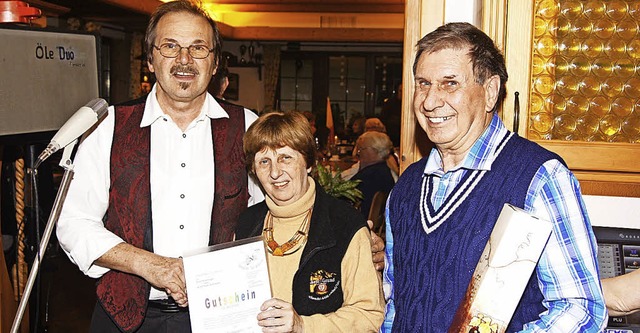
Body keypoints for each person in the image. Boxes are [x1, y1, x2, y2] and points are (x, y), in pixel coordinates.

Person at [382, 22, 607, 332]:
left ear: (490, 92)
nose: (430, 101)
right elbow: (395, 304)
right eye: (423, 83)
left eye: (449, 83)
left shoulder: (539, 178)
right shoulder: (406, 188)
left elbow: (580, 309)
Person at [56, 1, 264, 332]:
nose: (184, 59)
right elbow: (72, 222)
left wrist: (347, 236)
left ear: (214, 64)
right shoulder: (107, 126)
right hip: (124, 316)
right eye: (170, 46)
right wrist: (151, 266)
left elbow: (278, 209)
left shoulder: (248, 127)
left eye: (198, 48)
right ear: (151, 59)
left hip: (222, 315)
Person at [235, 111, 384, 332]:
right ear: (254, 171)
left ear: (308, 163)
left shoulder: (345, 224)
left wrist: (303, 325)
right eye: (264, 161)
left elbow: (369, 316)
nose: (275, 172)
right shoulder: (246, 223)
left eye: (286, 157)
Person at [352, 131, 395, 218]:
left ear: (374, 150)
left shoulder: (370, 176)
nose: (358, 153)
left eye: (361, 149)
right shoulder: (384, 170)